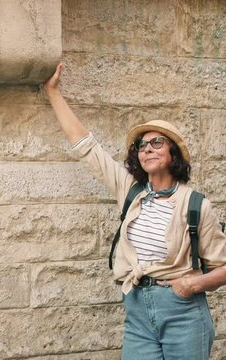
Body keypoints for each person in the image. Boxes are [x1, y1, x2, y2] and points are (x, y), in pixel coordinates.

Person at [44, 63, 226, 360]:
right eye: (142, 145)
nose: (148, 149)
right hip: (137, 308)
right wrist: (53, 93)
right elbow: (88, 148)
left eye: (157, 142)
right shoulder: (131, 191)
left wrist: (190, 284)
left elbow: (222, 267)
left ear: (173, 154)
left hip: (183, 312)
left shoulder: (196, 204)